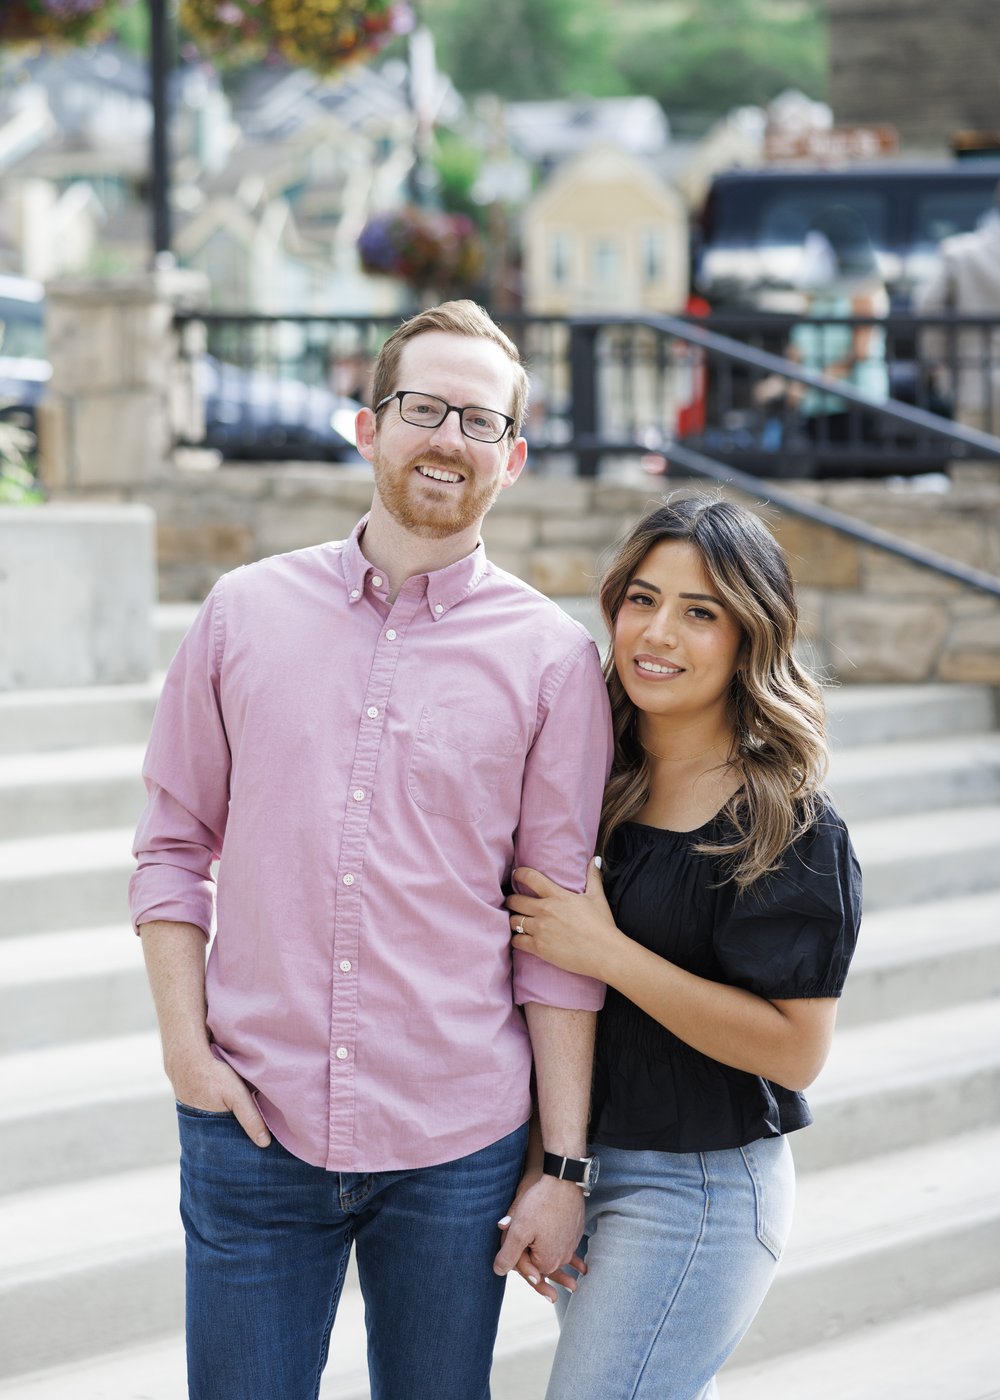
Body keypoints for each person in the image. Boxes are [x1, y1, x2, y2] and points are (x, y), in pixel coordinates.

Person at [129, 299, 614, 1400]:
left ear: (513, 456)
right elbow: (170, 845)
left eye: (477, 420)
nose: (447, 437)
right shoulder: (241, 613)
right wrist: (185, 1056)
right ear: (368, 423)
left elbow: (557, 929)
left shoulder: (550, 661)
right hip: (251, 1125)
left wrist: (562, 1162)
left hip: (458, 1142)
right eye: (422, 406)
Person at [505, 495, 862, 1400]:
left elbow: (795, 1051)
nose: (657, 633)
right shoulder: (590, 774)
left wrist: (610, 952)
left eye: (700, 612)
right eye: (641, 599)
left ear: (750, 637)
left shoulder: (786, 822)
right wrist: (555, 1165)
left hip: (698, 1191)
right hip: (586, 1164)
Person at [755, 205, 889, 472]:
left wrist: (815, 382)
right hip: (817, 404)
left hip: (852, 402)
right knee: (822, 470)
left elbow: (861, 349)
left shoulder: (863, 290)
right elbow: (798, 348)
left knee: (848, 472)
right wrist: (785, 381)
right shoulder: (813, 294)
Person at [915, 181, 1000, 436]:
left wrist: (939, 359)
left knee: (974, 472)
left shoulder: (959, 252)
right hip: (973, 382)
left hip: (975, 384)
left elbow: (927, 307)